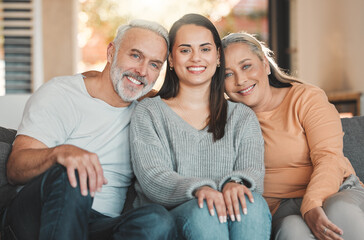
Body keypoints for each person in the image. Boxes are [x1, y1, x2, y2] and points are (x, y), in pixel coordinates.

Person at [2, 20, 177, 240]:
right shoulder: (61, 93)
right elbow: (15, 168)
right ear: (111, 52)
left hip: (99, 225)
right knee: (72, 170)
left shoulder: (148, 111)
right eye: (135, 55)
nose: (142, 71)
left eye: (154, 65)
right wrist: (59, 153)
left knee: (157, 220)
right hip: (38, 217)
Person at [130, 13, 271, 240]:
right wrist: (200, 189)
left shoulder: (241, 116)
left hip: (230, 211)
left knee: (250, 204)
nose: (196, 58)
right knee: (206, 210)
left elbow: (253, 169)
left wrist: (235, 183)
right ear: (172, 60)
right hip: (171, 217)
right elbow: (152, 178)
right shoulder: (149, 112)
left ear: (217, 57)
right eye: (185, 50)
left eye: (205, 49)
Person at [222, 32, 364, 240]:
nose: (240, 80)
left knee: (338, 210)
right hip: (281, 207)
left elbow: (329, 157)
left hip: (336, 189)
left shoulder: (306, 98)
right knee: (291, 230)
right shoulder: (227, 120)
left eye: (246, 66)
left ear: (265, 64)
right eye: (227, 74)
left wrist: (311, 204)